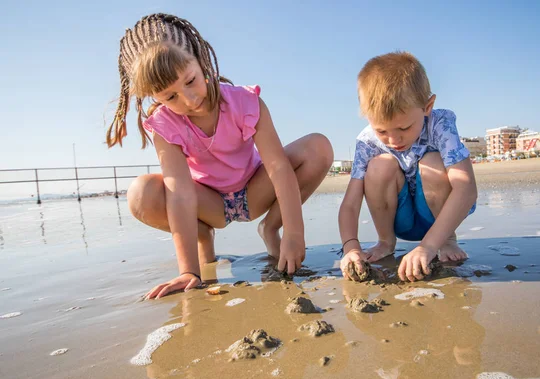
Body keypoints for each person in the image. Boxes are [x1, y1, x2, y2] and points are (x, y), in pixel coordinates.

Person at [106, 13, 333, 299]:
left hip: (254, 191)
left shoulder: (244, 101)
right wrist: (189, 271)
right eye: (170, 96)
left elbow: (277, 167)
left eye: (190, 81)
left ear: (201, 62)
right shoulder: (164, 125)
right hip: (209, 203)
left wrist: (294, 233)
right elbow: (179, 192)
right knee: (141, 193)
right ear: (155, 98)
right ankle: (203, 238)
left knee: (318, 146)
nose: (188, 100)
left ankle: (270, 228)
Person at [338, 52, 477, 282]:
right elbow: (350, 204)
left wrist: (428, 247)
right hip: (398, 220)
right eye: (382, 131)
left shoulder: (440, 124)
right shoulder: (367, 141)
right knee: (379, 166)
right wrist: (351, 248)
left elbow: (466, 188)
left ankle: (447, 239)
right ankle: (385, 241)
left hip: (440, 218)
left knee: (432, 161)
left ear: (427, 106)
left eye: (404, 128)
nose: (394, 140)